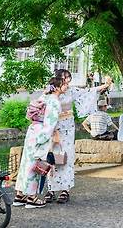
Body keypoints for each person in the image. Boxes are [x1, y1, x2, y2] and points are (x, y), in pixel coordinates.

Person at [46, 69, 111, 204]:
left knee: (66, 156)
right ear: (59, 78)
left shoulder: (71, 90)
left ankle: (65, 189)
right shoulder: (51, 90)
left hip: (67, 127)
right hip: (53, 126)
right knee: (52, 156)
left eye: (69, 77)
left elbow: (88, 91)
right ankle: (51, 188)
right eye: (66, 77)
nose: (68, 80)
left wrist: (104, 86)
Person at [14, 77, 64, 209]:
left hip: (32, 130)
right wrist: (48, 137)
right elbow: (50, 123)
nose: (66, 86)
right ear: (58, 88)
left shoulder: (43, 96)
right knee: (35, 164)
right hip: (41, 133)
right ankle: (32, 197)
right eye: (64, 84)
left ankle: (19, 195)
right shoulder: (54, 101)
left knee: (26, 162)